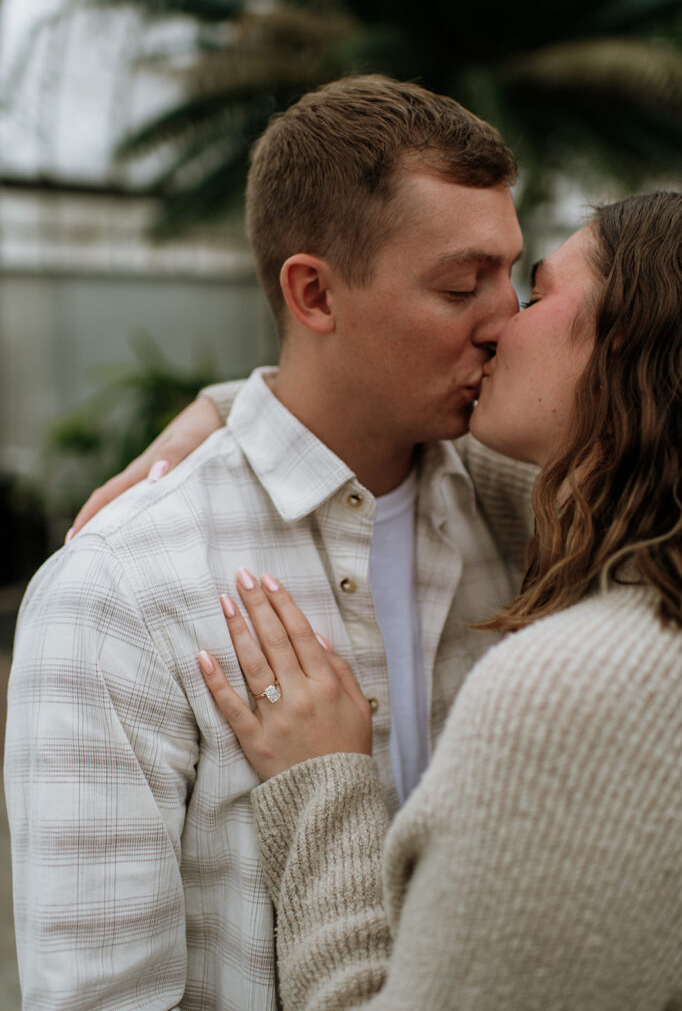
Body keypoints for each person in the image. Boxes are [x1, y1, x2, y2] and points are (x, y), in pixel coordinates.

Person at [5, 75, 535, 1009]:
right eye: (462, 285)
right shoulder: (116, 592)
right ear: (314, 293)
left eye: (512, 274)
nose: (507, 321)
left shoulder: (523, 512)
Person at [194, 191, 682, 1010]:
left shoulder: (578, 694)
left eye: (534, 292)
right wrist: (234, 412)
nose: (498, 323)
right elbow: (390, 429)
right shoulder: (627, 546)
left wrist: (323, 786)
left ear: (624, 343)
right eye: (463, 288)